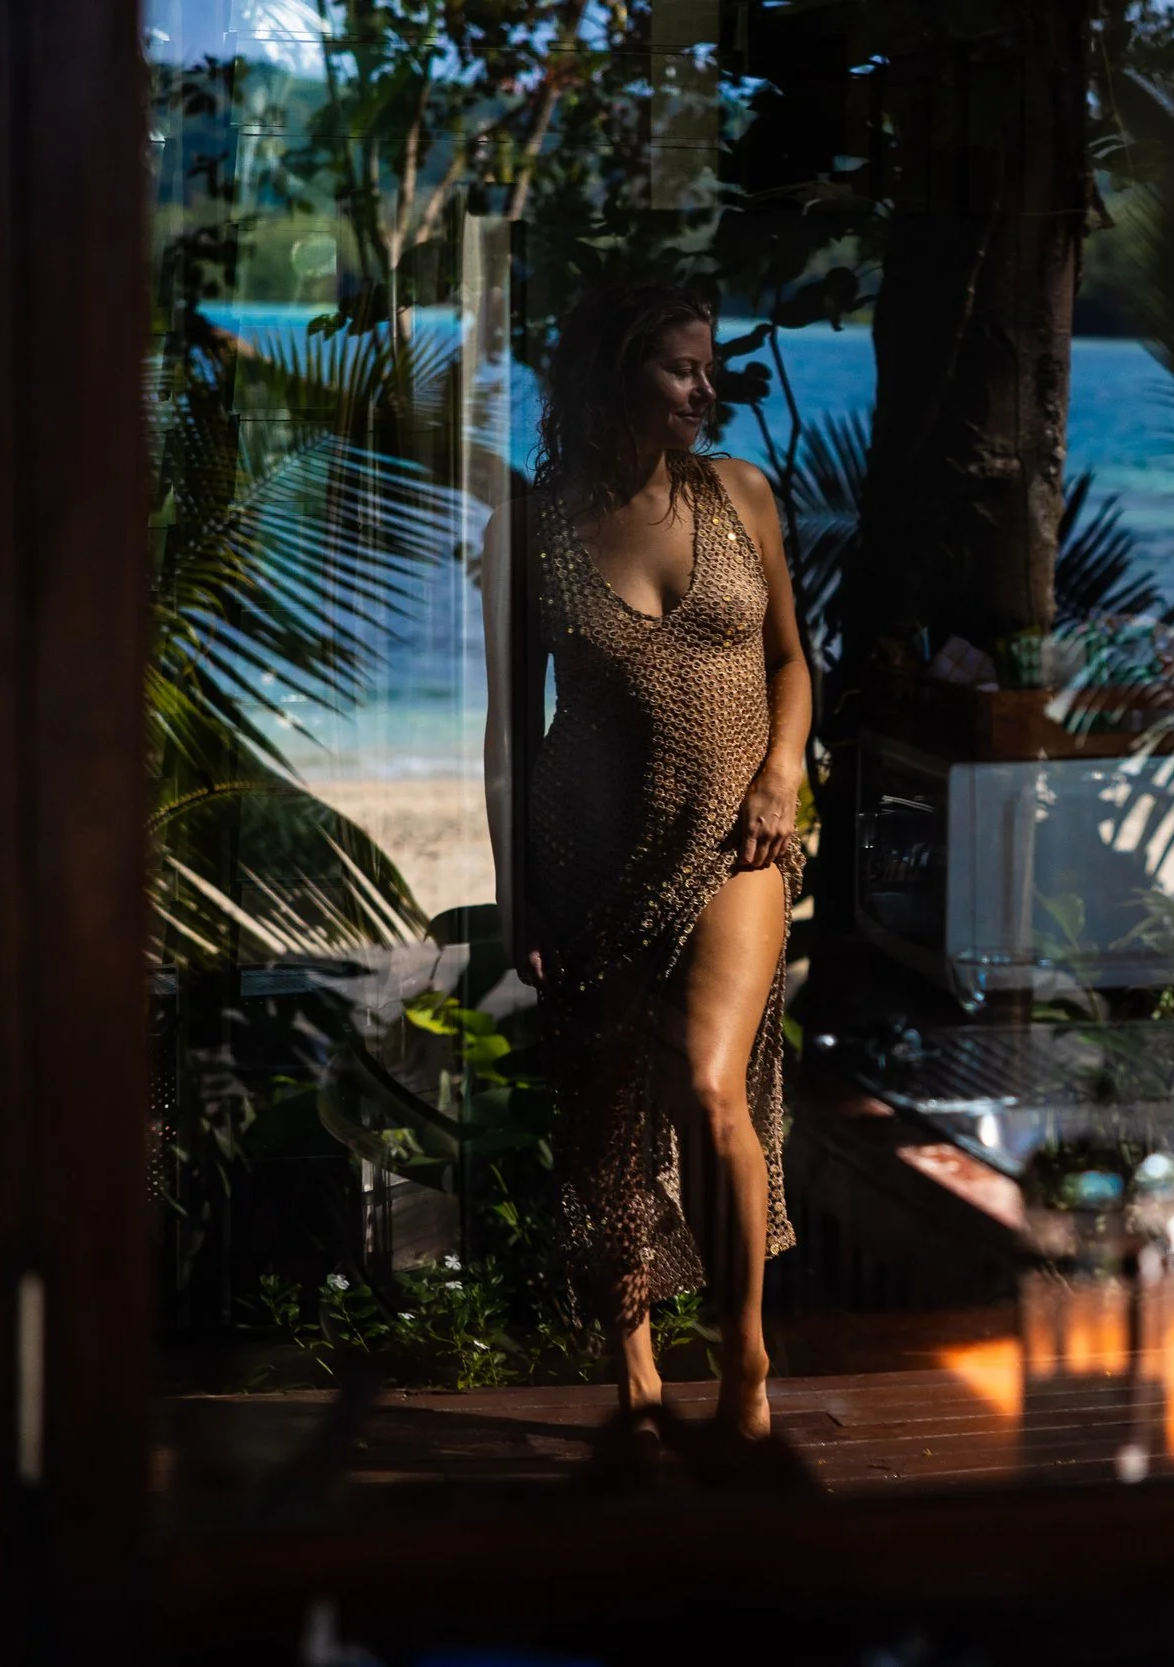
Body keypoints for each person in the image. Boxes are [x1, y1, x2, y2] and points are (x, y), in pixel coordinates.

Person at [481, 282, 812, 1442]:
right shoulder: (533, 526)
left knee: (709, 1084)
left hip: (737, 838)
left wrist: (781, 773)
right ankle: (634, 1376)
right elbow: (510, 730)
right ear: (612, 375)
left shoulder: (740, 496)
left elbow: (789, 663)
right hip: (592, 849)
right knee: (605, 1109)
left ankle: (746, 1363)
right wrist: (518, 886)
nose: (705, 389)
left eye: (705, 366)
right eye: (679, 368)